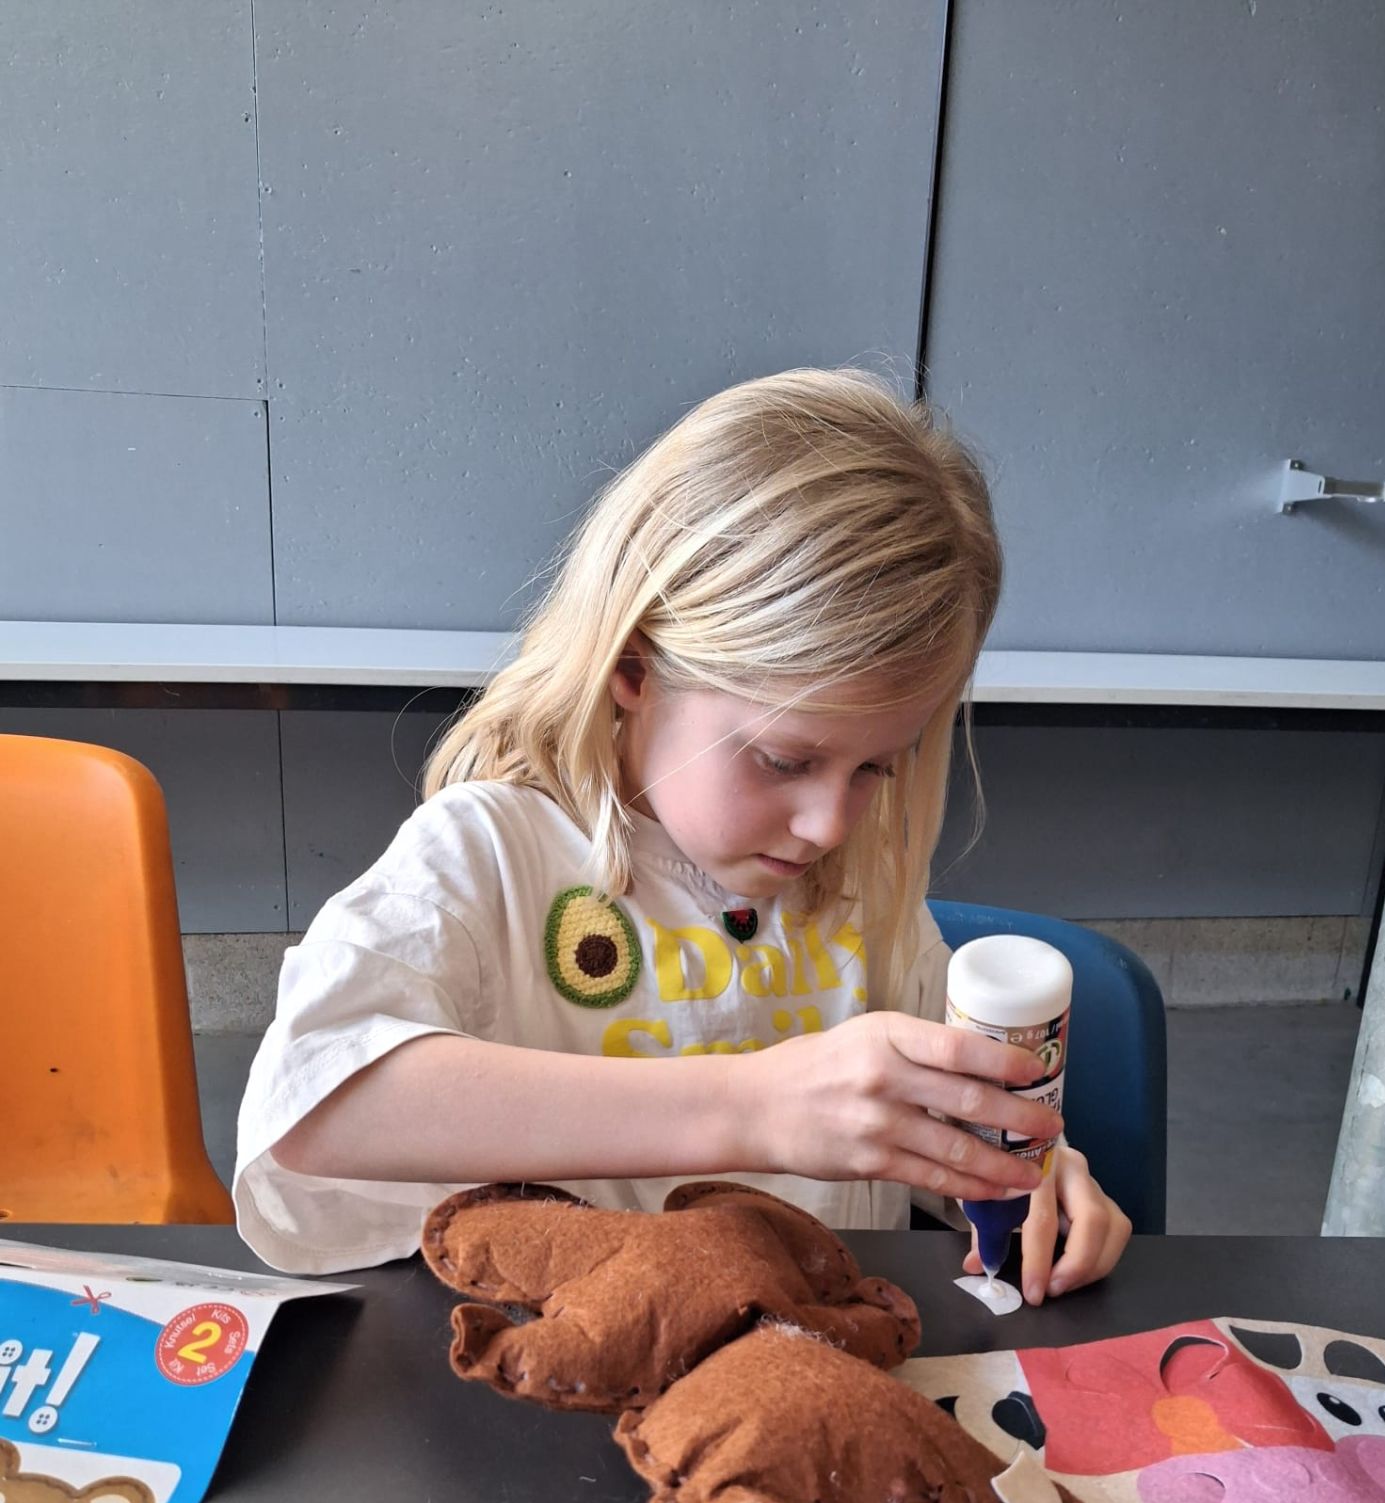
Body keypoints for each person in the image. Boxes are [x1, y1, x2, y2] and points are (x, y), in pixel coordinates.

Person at [235, 367, 1131, 1292]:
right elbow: (313, 1102)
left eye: (877, 768)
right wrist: (754, 1108)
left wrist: (1025, 1171)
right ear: (635, 669)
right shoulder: (489, 857)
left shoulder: (858, 896)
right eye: (783, 760)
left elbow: (947, 1115)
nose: (830, 823)